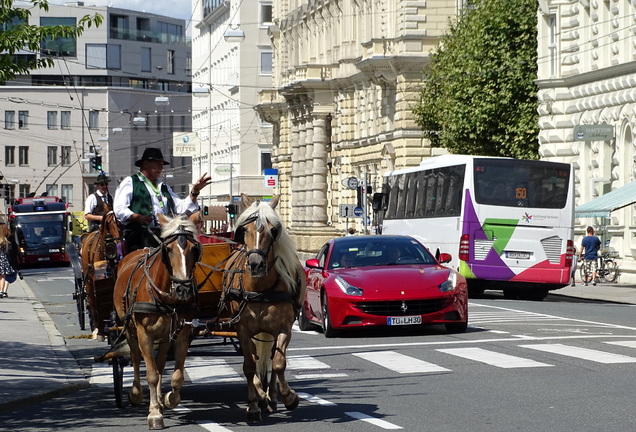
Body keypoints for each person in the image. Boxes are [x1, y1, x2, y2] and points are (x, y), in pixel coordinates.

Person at [113, 147, 212, 253]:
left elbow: (182, 209)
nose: (161, 167)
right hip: (139, 236)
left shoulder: (164, 187)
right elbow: (119, 208)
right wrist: (136, 217)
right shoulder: (131, 182)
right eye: (158, 164)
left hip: (164, 234)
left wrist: (194, 192)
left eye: (162, 164)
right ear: (145, 164)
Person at [0, 221, 15, 298]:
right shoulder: (5, 240)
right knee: (3, 276)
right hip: (2, 258)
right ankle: (1, 291)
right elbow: (7, 251)